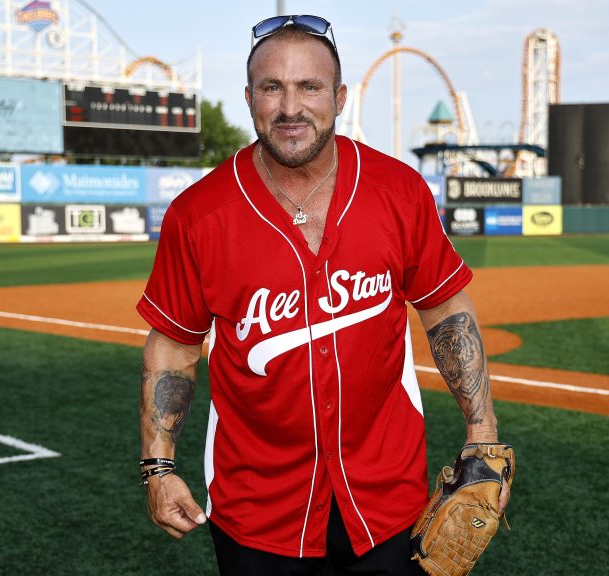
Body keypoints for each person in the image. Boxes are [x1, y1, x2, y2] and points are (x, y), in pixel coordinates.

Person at [136, 14, 509, 575]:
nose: (291, 108)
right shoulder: (199, 214)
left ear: (337, 97)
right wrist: (158, 470)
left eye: (309, 87)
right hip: (257, 507)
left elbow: (444, 308)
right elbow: (173, 347)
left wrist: (481, 438)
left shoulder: (398, 190)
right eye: (272, 87)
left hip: (387, 497)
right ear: (248, 98)